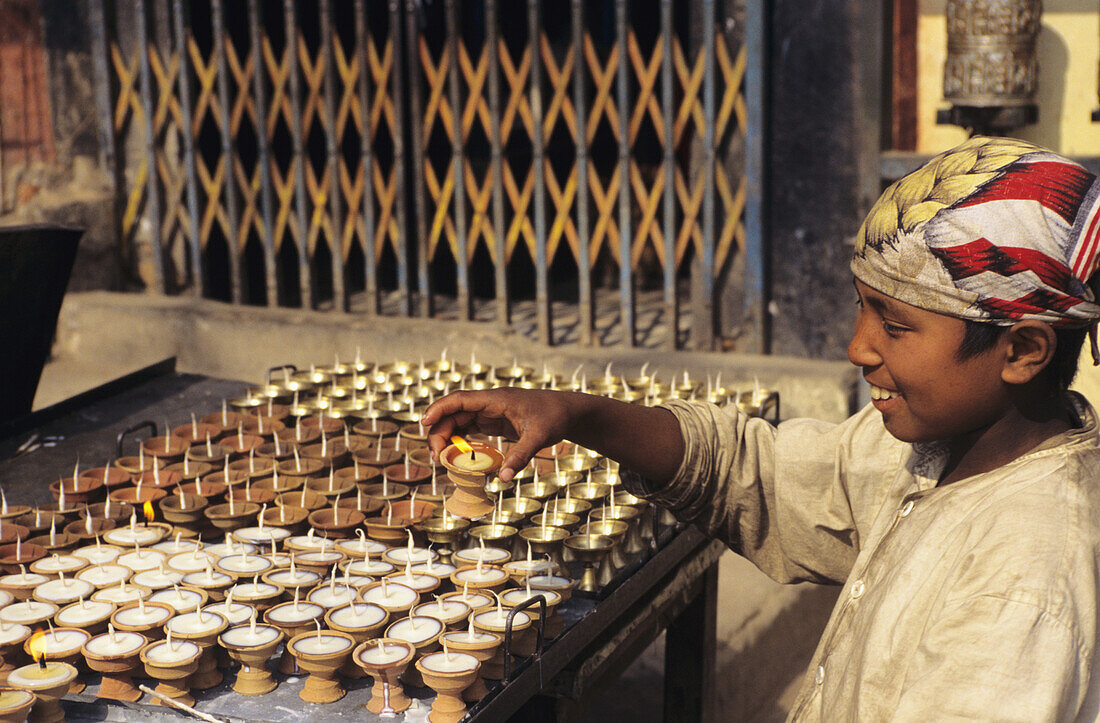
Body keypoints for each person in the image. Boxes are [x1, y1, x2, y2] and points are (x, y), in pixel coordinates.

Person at [421, 136, 1100, 720]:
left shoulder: (1022, 585)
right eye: (862, 309)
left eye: (894, 324)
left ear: (1022, 351)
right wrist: (580, 413)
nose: (858, 347)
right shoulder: (943, 449)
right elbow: (763, 474)